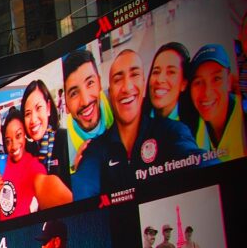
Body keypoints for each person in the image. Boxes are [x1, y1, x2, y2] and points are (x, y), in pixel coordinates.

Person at [72, 49, 212, 199]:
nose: (127, 87)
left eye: (135, 75)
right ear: (110, 92)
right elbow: (82, 185)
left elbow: (196, 160)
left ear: (144, 83)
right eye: (118, 79)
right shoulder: (96, 148)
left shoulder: (172, 132)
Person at [0, 109, 72, 221]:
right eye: (8, 141)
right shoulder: (0, 164)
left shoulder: (34, 166)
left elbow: (48, 188)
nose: (13, 145)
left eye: (18, 135)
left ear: (25, 134)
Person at [189, 43, 244, 162]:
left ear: (229, 80)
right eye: (198, 82)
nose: (207, 92)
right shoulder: (192, 128)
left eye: (216, 79)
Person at [61, 49, 113, 171]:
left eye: (90, 83)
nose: (85, 101)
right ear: (66, 106)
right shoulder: (64, 147)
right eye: (74, 93)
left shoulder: (116, 103)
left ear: (99, 83)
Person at [23, 79, 71, 187]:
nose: (33, 119)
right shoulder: (30, 151)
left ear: (48, 108)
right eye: (28, 113)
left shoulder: (65, 139)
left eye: (38, 108)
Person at [147, 42, 200, 131]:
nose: (160, 80)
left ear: (184, 84)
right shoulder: (137, 117)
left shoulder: (196, 124)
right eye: (156, 72)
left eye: (171, 72)